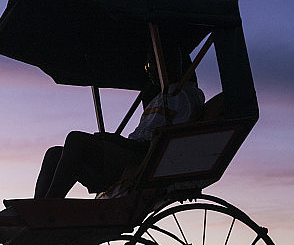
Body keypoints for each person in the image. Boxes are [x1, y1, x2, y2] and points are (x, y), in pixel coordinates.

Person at [34, 49, 205, 199]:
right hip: (128, 154)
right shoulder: (163, 96)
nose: (150, 71)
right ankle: (37, 208)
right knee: (54, 153)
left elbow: (161, 143)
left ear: (168, 64)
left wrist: (118, 141)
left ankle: (47, 208)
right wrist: (116, 141)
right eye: (147, 67)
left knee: (76, 139)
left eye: (152, 65)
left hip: (141, 161)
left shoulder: (184, 96)